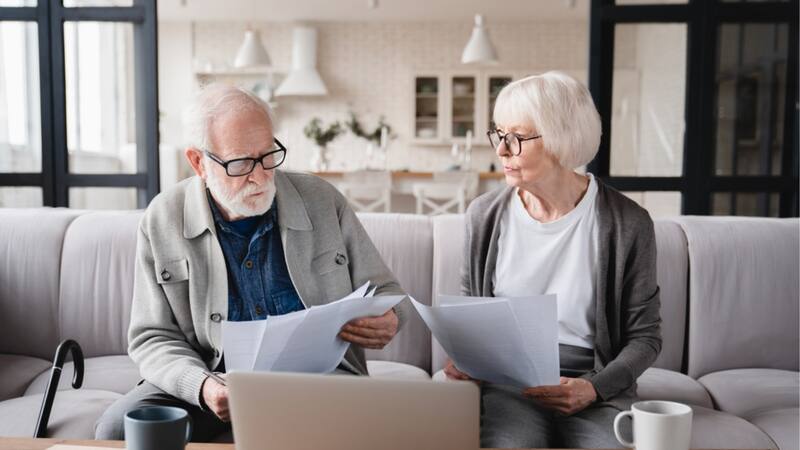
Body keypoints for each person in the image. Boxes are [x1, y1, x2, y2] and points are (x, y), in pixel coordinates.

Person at [95, 83, 407, 441]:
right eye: (241, 162)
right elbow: (152, 336)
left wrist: (390, 319)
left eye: (267, 155)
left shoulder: (323, 201)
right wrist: (203, 386)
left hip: (319, 382)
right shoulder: (162, 218)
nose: (259, 175)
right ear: (198, 162)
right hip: (211, 380)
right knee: (117, 430)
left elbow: (388, 293)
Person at [445, 71, 661, 448]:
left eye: (516, 137)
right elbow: (471, 314)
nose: (501, 151)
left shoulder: (628, 223)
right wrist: (468, 359)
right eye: (499, 134)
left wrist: (594, 388)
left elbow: (645, 337)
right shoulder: (484, 216)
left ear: (562, 138)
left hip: (594, 384)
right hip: (509, 385)